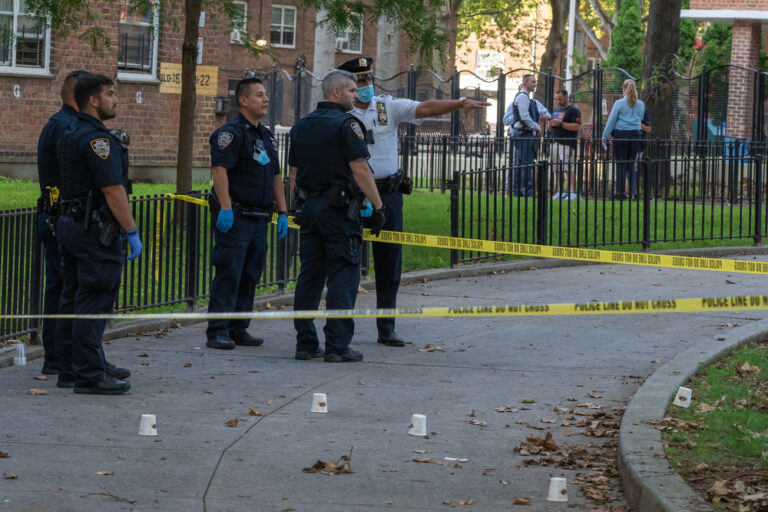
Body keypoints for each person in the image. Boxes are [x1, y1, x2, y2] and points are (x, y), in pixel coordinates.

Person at [338, 57, 489, 347]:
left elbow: (426, 108)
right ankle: (342, 332)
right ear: (347, 86)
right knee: (347, 262)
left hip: (388, 195)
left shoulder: (386, 106)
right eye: (359, 82)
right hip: (352, 197)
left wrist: (459, 103)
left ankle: (387, 328)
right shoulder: (340, 113)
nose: (365, 86)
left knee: (389, 263)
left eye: (368, 80)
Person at [289, 69, 386, 363]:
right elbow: (359, 168)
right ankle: (337, 345)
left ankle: (305, 343)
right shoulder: (348, 125)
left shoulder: (301, 126)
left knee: (310, 277)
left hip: (309, 210)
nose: (357, 96)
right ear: (336, 93)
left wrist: (299, 205)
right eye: (352, 91)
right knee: (344, 275)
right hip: (338, 212)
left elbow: (293, 174)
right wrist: (378, 206)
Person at [56, 73, 141, 395]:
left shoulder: (69, 131)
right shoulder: (97, 140)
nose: (115, 99)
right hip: (94, 231)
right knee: (94, 299)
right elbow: (112, 189)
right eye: (110, 94)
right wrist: (131, 230)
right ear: (94, 100)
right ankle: (89, 374)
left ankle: (72, 366)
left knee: (73, 298)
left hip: (71, 224)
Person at [206, 77, 288, 350]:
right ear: (243, 100)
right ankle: (217, 330)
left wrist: (284, 211)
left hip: (260, 217)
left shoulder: (264, 135)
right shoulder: (230, 133)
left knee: (250, 274)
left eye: (266, 95)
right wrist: (226, 207)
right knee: (229, 273)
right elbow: (219, 171)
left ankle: (238, 327)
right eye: (260, 95)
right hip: (238, 216)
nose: (266, 99)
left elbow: (276, 174)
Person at [35, 70, 87, 375]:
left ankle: (57, 354)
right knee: (68, 287)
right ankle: (62, 356)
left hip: (54, 215)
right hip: (62, 217)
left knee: (59, 286)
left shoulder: (59, 124)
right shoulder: (68, 128)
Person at [602, 79, 645, 199]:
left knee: (620, 164)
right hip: (635, 135)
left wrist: (605, 136)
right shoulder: (641, 104)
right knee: (631, 165)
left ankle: (620, 193)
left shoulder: (619, 103)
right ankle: (633, 192)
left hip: (621, 135)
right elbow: (640, 118)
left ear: (623, 90)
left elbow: (611, 121)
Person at [503, 74, 540, 197]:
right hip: (524, 134)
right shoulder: (523, 97)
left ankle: (518, 191)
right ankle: (525, 192)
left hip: (522, 134)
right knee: (526, 164)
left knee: (521, 164)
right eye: (533, 82)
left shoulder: (523, 96)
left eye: (536, 82)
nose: (535, 84)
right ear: (526, 82)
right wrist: (535, 126)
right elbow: (524, 116)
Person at [548, 88, 582, 200]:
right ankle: (560, 190)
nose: (559, 101)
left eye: (561, 99)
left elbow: (577, 126)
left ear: (566, 97)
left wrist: (561, 124)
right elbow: (552, 124)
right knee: (556, 168)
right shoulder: (556, 109)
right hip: (554, 142)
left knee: (568, 168)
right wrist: (550, 125)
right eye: (557, 99)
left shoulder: (573, 110)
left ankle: (572, 192)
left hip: (567, 142)